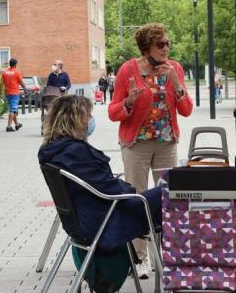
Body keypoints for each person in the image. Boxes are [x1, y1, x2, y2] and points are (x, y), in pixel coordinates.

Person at [108, 23, 192, 278]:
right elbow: (113, 112)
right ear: (147, 49)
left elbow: (186, 109)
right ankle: (140, 258)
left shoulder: (175, 68)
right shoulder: (128, 71)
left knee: (172, 199)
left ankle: (172, 255)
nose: (166, 48)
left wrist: (176, 82)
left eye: (168, 43)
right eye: (161, 44)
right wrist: (129, 102)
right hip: (137, 145)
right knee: (137, 199)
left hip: (167, 143)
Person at [38, 95, 162, 252]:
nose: (90, 119)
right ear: (74, 118)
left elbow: (99, 183)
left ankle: (176, 262)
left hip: (88, 218)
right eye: (87, 115)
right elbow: (109, 189)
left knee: (169, 195)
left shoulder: (53, 150)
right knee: (173, 191)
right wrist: (129, 189)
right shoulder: (75, 152)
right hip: (107, 220)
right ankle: (180, 262)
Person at [0, 58, 28, 132]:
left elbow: (1, 84)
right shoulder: (17, 72)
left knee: (13, 109)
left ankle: (17, 124)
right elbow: (21, 82)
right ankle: (8, 126)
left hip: (7, 93)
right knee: (12, 110)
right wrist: (25, 89)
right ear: (15, 64)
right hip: (15, 93)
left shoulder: (4, 73)